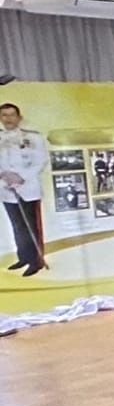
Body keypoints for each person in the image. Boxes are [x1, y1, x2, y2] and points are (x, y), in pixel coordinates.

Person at [1, 103, 50, 276]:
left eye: (12, 115)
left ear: (19, 117)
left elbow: (41, 160)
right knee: (17, 226)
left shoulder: (33, 138)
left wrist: (21, 177)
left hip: (28, 188)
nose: (8, 118)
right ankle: (23, 257)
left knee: (32, 226)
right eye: (4, 115)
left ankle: (36, 261)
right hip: (6, 189)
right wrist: (4, 175)